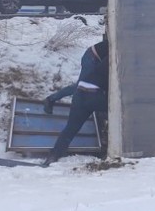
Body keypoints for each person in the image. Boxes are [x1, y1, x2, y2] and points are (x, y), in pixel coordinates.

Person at [43, 37, 109, 166]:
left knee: (71, 127)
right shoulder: (117, 54)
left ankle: (53, 156)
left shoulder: (119, 45)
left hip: (81, 95)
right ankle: (51, 99)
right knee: (113, 106)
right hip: (92, 59)